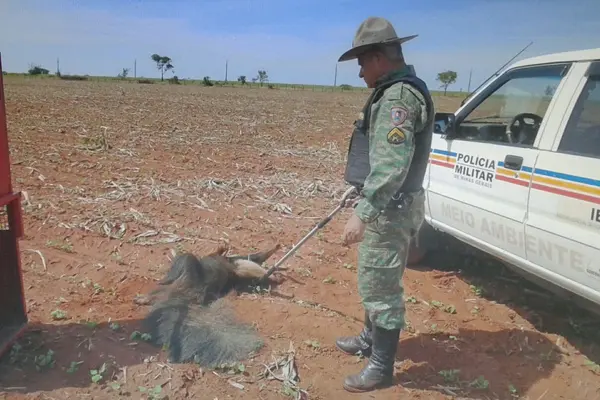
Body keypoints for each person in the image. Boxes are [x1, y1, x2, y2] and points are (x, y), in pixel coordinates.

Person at [335, 17, 435, 393]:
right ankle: (368, 339)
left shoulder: (397, 97)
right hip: (388, 205)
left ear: (379, 57)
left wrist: (363, 212)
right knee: (374, 279)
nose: (360, 71)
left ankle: (380, 367)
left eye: (362, 62)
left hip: (389, 210)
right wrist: (361, 190)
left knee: (381, 288)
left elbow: (393, 166)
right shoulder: (395, 89)